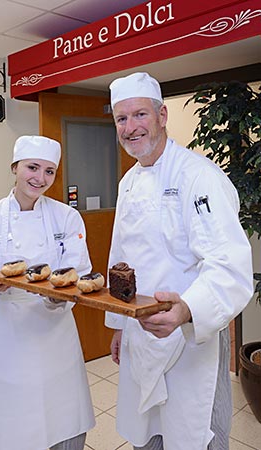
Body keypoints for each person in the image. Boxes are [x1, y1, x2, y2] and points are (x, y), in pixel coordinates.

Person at [105, 72, 254, 450]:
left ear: (162, 115)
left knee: (195, 433)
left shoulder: (199, 176)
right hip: (142, 332)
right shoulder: (128, 183)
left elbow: (228, 263)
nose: (131, 127)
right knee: (148, 433)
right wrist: (119, 325)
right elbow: (119, 257)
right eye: (121, 119)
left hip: (190, 336)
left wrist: (187, 309)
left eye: (140, 115)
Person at [0, 135, 95, 450]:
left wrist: (60, 295)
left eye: (49, 171)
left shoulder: (67, 217)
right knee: (12, 419)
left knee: (63, 413)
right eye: (33, 167)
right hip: (9, 331)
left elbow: (80, 270)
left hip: (56, 330)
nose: (40, 178)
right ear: (15, 167)